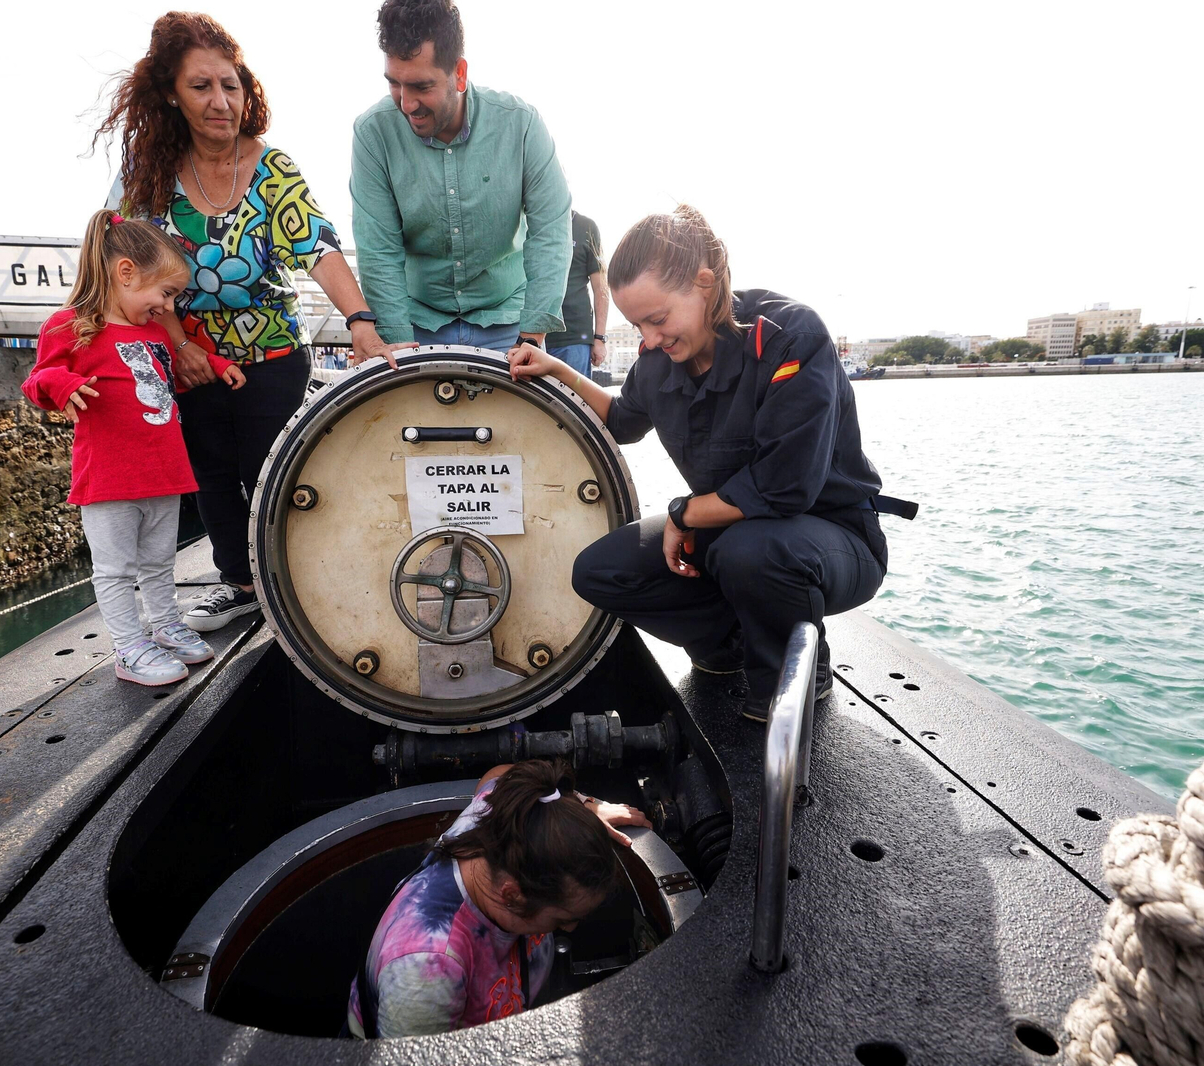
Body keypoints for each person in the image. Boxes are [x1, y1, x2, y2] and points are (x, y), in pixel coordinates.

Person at [510, 206, 897, 722]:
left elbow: (784, 490)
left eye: (658, 319)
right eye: (637, 325)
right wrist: (558, 370)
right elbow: (623, 420)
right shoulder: (660, 360)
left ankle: (796, 673)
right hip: (734, 534)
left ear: (705, 283)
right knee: (600, 571)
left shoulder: (789, 337)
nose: (648, 339)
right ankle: (730, 642)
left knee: (751, 549)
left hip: (832, 538)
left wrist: (682, 514)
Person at [97, 12, 414, 633]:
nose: (221, 102)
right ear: (171, 93)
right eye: (201, 87)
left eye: (231, 85)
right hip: (181, 352)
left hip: (271, 354)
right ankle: (240, 586)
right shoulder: (150, 173)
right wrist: (180, 345)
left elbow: (317, 247)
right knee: (210, 474)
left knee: (271, 471)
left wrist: (360, 320)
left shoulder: (274, 168)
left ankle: (294, 583)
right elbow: (122, 264)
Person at [22, 209, 245, 686]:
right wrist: (63, 384)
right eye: (165, 294)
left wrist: (217, 365)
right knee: (117, 569)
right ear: (126, 272)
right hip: (109, 476)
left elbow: (164, 386)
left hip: (163, 472)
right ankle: (128, 647)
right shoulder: (70, 326)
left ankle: (164, 625)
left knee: (160, 561)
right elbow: (38, 378)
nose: (168, 307)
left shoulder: (153, 334)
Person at [348, 759, 649, 1038]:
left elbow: (501, 775)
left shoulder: (498, 818)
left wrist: (579, 808)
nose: (570, 930)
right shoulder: (427, 973)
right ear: (512, 895)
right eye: (562, 919)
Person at [350, 0, 572, 353]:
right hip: (415, 324)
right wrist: (397, 342)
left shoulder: (522, 124)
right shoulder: (372, 133)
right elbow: (378, 249)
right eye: (395, 84)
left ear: (460, 73)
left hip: (509, 323)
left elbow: (551, 230)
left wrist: (532, 334)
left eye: (422, 87)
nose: (406, 103)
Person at [548, 210, 608, 380]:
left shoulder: (586, 227)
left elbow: (601, 288)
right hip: (529, 334)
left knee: (573, 402)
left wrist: (600, 338)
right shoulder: (529, 222)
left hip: (573, 338)